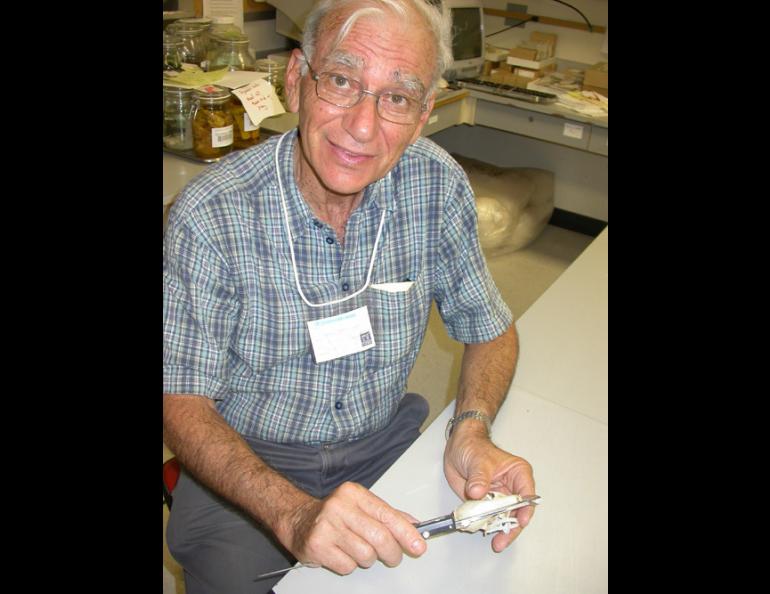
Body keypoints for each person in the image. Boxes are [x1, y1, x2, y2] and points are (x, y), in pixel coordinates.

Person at [163, 1, 536, 592]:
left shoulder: (435, 185)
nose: (364, 127)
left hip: (382, 438)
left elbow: (490, 327)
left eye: (397, 97)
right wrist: (292, 513)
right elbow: (180, 401)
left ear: (422, 117)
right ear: (296, 81)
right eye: (342, 80)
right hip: (244, 459)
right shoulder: (210, 215)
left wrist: (470, 429)